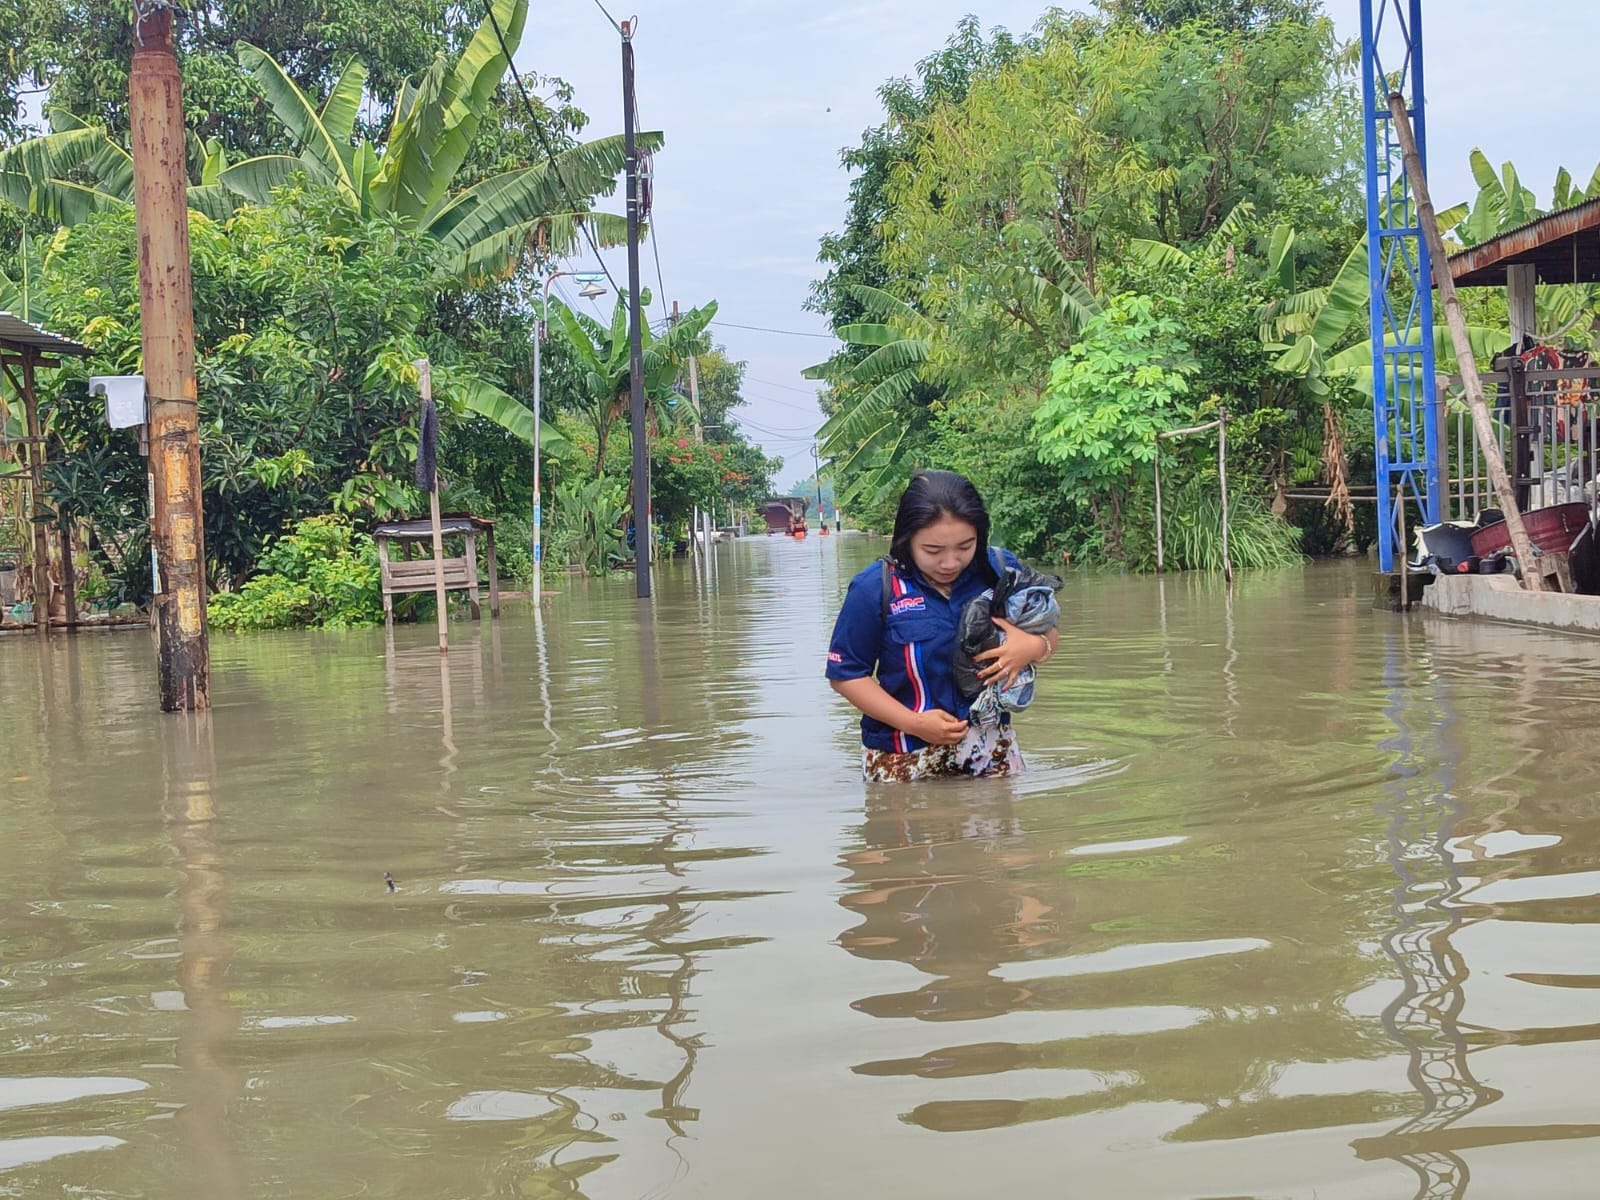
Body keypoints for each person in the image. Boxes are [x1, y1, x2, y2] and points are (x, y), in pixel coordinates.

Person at [825, 470, 1057, 781]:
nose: (950, 562)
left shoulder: (1000, 571)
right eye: (933, 551)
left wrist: (1032, 647)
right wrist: (914, 723)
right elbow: (846, 675)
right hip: (901, 759)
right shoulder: (874, 588)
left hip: (992, 754)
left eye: (965, 546)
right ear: (908, 540)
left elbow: (1049, 632)